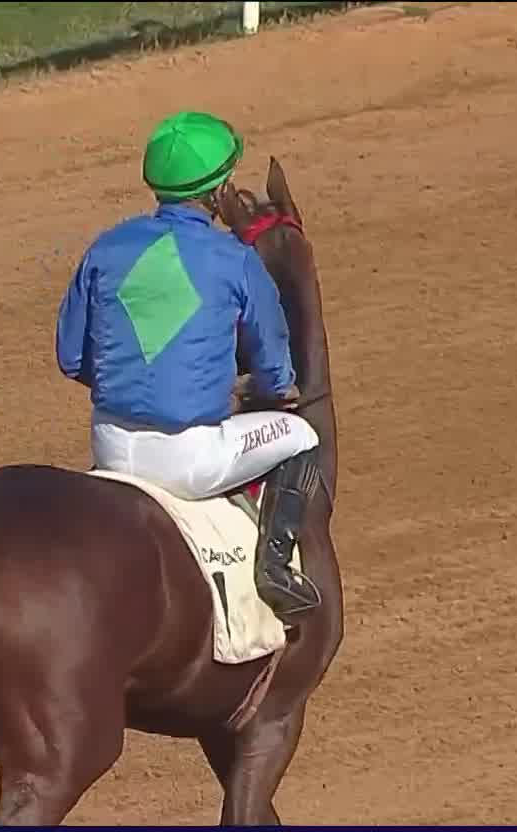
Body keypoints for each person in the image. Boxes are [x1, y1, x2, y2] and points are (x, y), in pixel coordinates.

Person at [56, 111, 324, 620]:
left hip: (110, 448)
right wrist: (280, 388)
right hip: (189, 460)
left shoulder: (106, 248)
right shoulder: (233, 259)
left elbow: (71, 358)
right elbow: (273, 371)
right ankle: (276, 571)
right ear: (219, 191)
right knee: (301, 437)